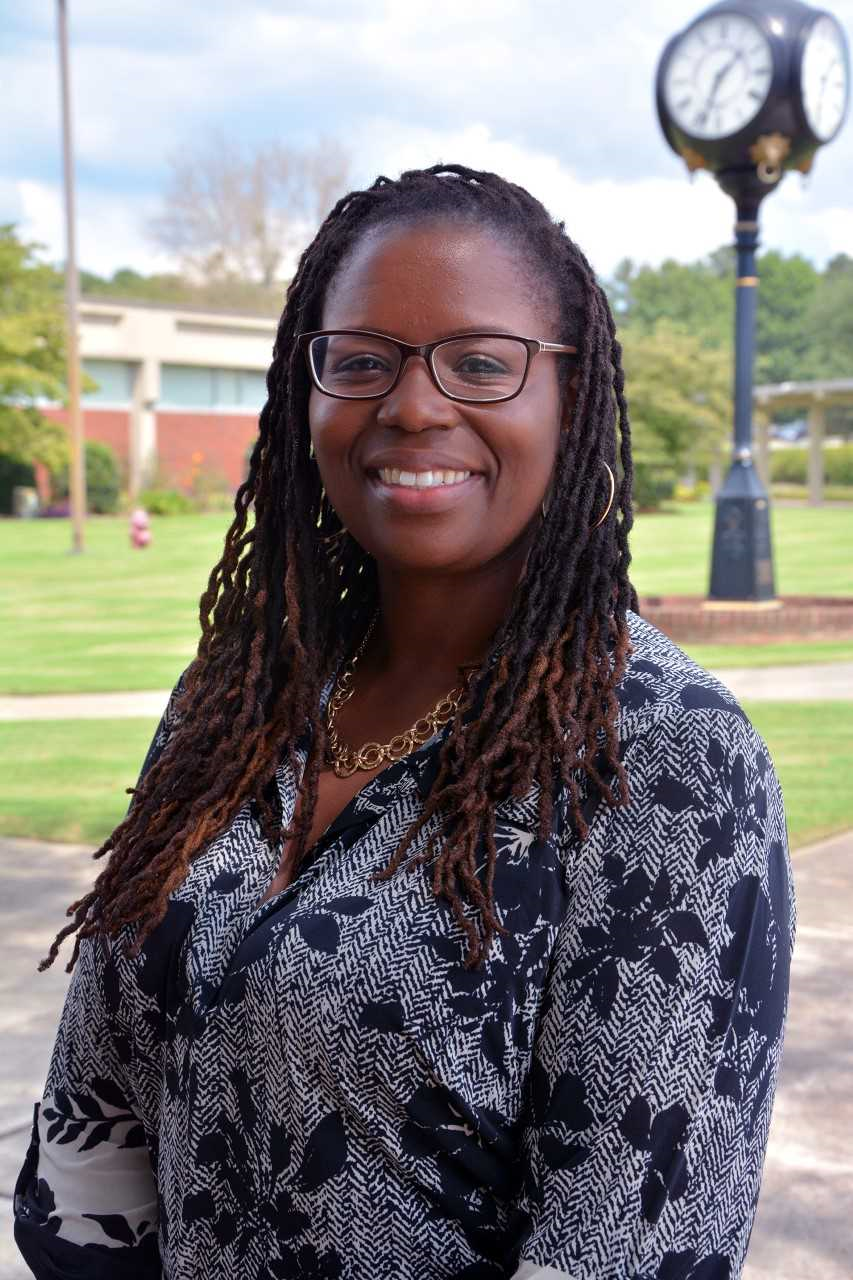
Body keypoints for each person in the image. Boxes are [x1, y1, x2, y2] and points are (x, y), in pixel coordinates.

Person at [13, 164, 795, 1280]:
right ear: (308, 389)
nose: (414, 404)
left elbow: (625, 1246)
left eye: (482, 362)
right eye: (362, 360)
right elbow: (96, 1117)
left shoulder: (665, 760)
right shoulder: (234, 707)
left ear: (571, 402)